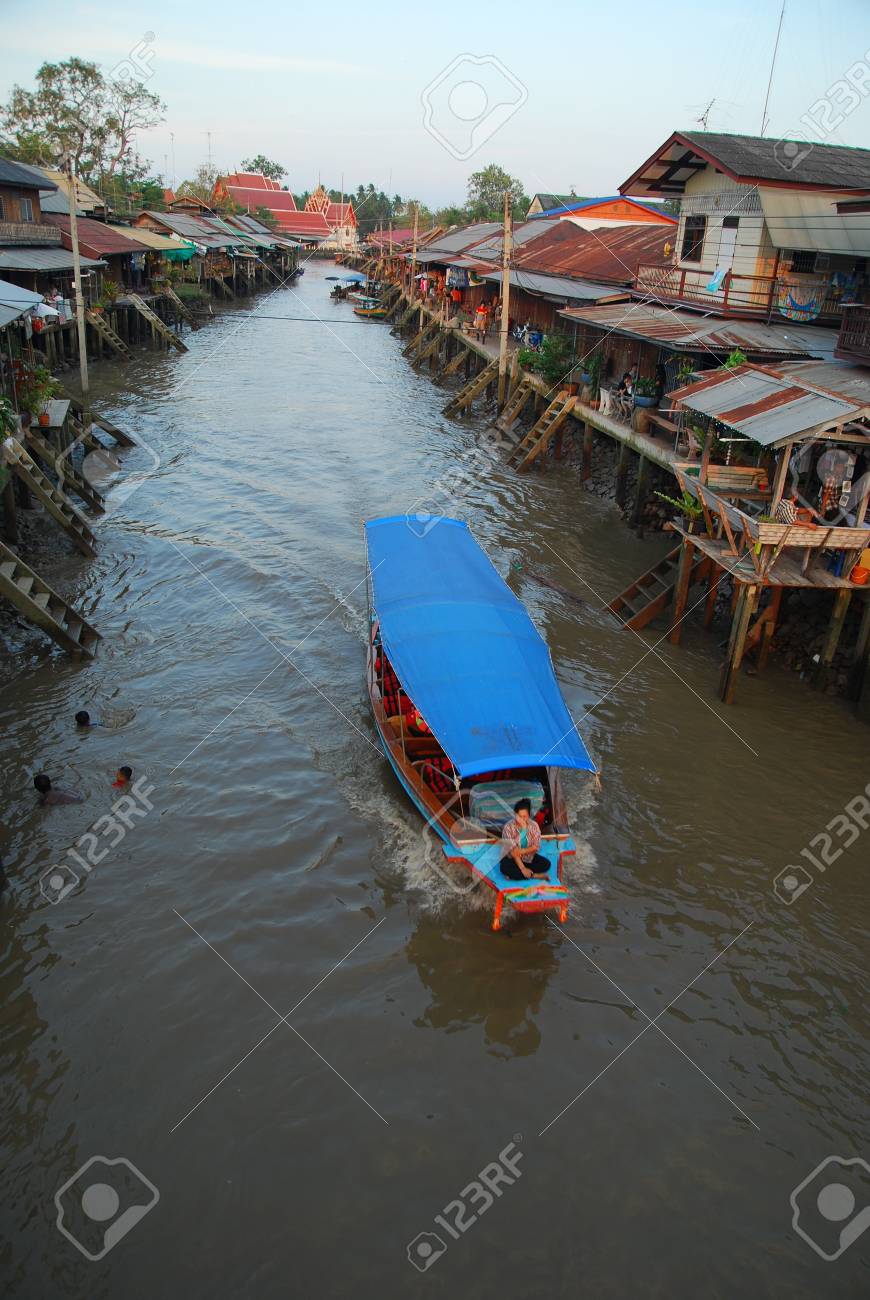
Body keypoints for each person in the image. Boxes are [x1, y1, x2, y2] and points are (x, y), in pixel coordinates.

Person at [500, 799, 550, 881]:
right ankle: (534, 875)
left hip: (528, 857)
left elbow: (536, 846)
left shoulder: (534, 826)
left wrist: (522, 851)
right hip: (511, 858)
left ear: (529, 816)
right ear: (515, 814)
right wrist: (523, 868)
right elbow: (513, 852)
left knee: (546, 864)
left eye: (525, 816)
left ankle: (516, 874)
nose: (522, 819)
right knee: (504, 867)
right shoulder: (508, 827)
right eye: (519, 816)